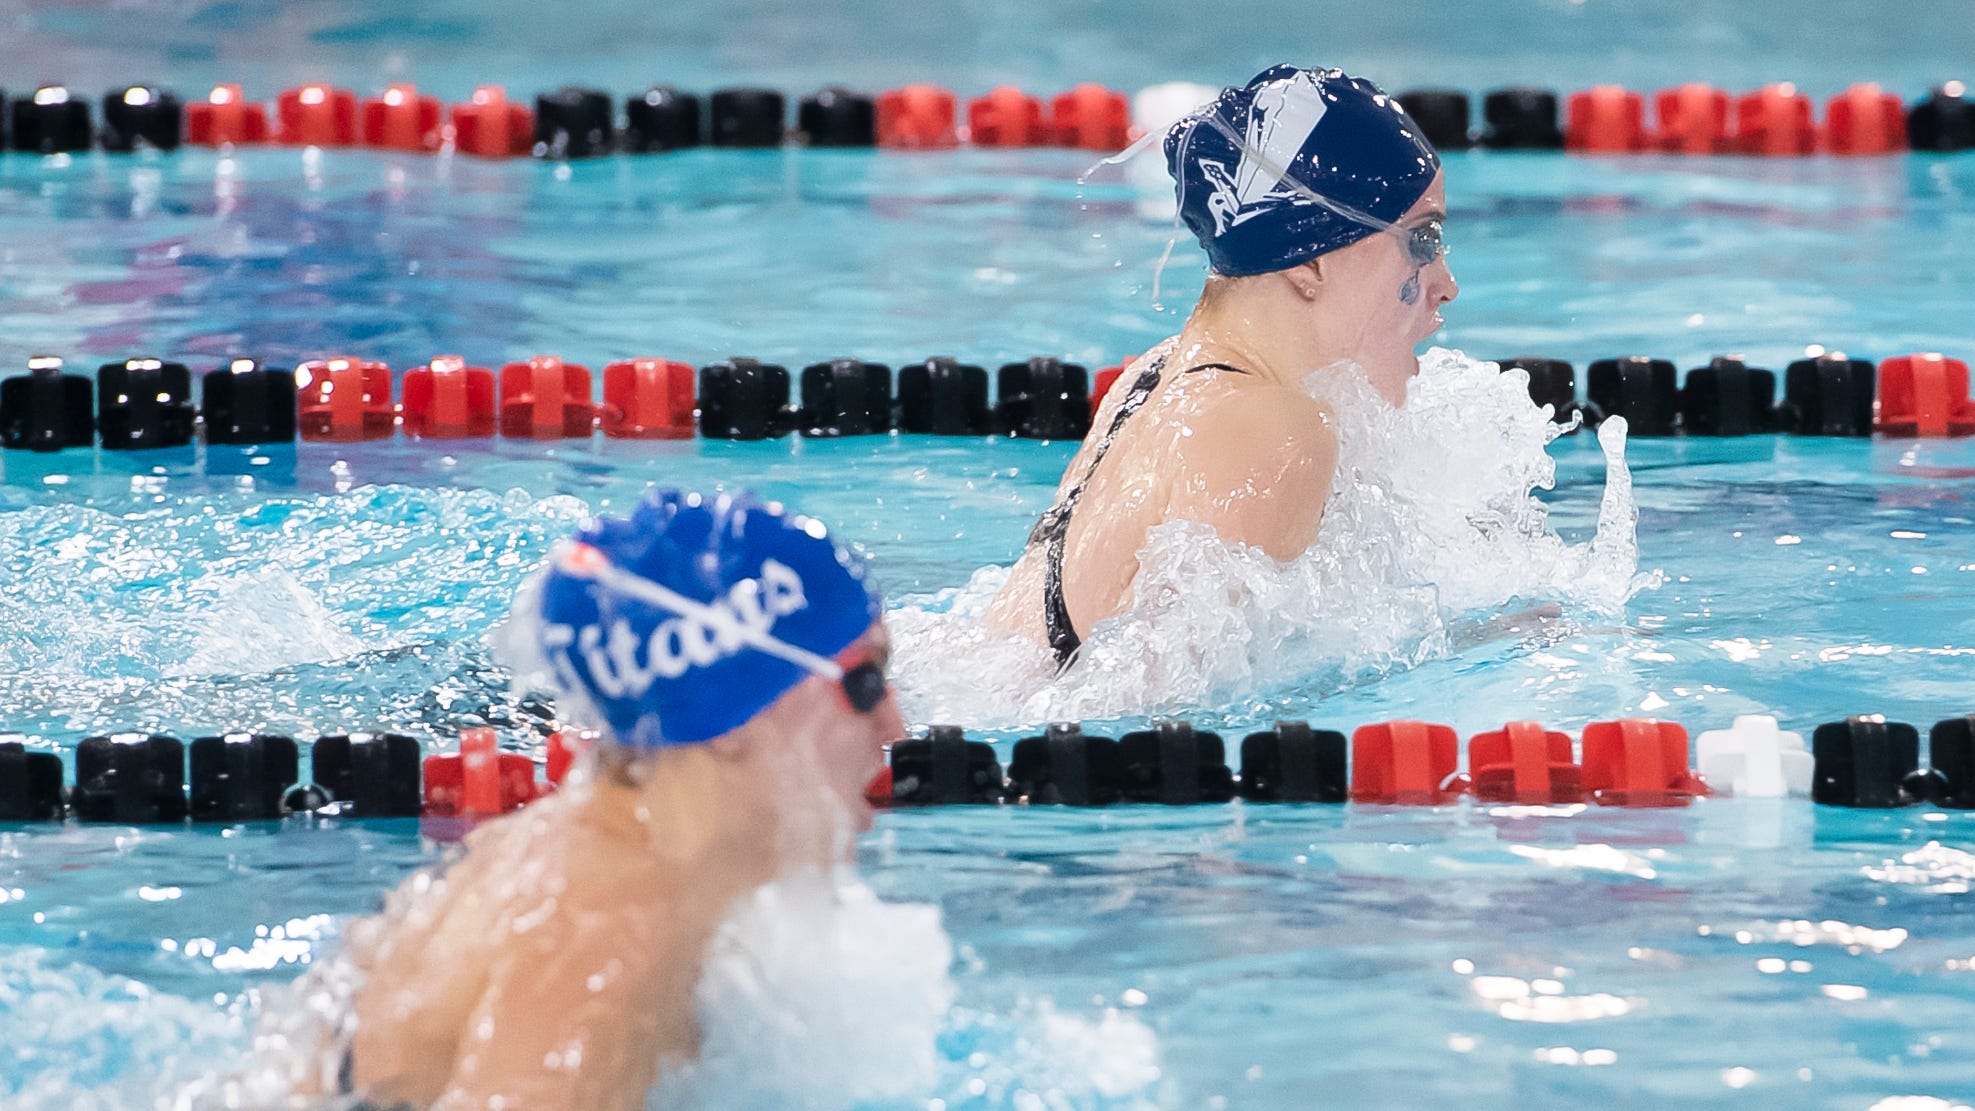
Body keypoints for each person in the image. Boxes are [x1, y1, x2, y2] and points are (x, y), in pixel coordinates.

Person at [290, 490, 903, 1111]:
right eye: (866, 683)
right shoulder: (612, 942)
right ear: (739, 714)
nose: (895, 728)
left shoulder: (611, 856)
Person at [983, 64, 1458, 666]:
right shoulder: (1277, 429)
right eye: (1422, 241)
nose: (1446, 284)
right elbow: (1178, 722)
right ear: (1307, 261)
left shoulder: (1156, 374)